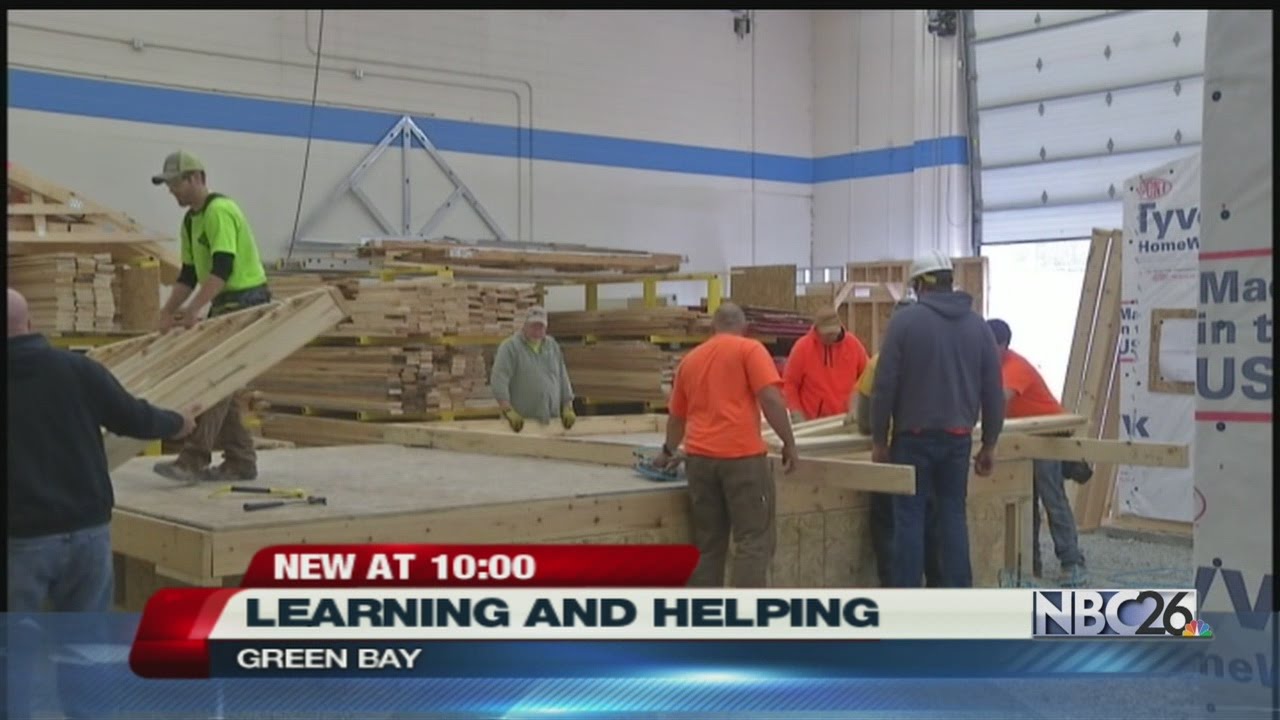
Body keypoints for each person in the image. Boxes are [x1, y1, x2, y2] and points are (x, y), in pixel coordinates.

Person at [8, 288, 197, 719]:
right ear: (31, 324)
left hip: (21, 541)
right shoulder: (77, 370)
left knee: (13, 650)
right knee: (86, 647)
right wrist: (178, 422)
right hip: (87, 533)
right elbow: (133, 417)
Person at [870, 250, 1005, 588]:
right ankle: (956, 603)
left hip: (911, 439)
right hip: (958, 439)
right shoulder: (978, 326)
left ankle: (907, 607)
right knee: (952, 518)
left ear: (920, 286)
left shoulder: (904, 323)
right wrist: (989, 443)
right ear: (949, 280)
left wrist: (878, 440)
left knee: (909, 520)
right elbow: (993, 390)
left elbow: (884, 385)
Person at [654, 303, 798, 587]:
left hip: (698, 461)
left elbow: (676, 418)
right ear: (744, 328)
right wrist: (789, 442)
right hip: (742, 459)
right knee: (752, 542)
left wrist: (668, 451)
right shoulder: (750, 350)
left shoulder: (691, 360)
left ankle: (705, 621)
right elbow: (769, 398)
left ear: (712, 328)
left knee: (708, 546)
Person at [150, 150, 272, 483]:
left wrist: (191, 310)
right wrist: (167, 312)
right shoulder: (191, 220)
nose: (172, 191)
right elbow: (189, 274)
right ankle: (241, 460)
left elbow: (222, 268)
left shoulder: (220, 211)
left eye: (175, 183)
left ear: (195, 178)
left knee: (219, 377)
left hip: (248, 298)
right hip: (225, 302)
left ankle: (194, 458)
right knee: (226, 381)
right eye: (169, 185)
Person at [987, 319, 1088, 587]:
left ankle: (1072, 562)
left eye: (989, 346)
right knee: (1025, 498)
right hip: (1023, 436)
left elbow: (1000, 399)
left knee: (1051, 496)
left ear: (1004, 346)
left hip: (1049, 433)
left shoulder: (1014, 367)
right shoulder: (992, 365)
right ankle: (1031, 564)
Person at [490, 306, 576, 432]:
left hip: (552, 422)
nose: (537, 329)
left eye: (541, 326)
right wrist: (508, 410)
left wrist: (568, 406)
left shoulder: (552, 346)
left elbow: (563, 377)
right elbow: (499, 379)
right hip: (520, 424)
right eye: (533, 325)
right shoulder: (510, 347)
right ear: (525, 325)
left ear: (546, 327)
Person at [783, 306, 869, 423]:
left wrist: (858, 408)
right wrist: (796, 412)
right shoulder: (802, 348)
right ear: (817, 330)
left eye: (834, 332)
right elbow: (789, 384)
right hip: (812, 422)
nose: (831, 336)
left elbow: (867, 378)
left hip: (847, 420)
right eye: (827, 334)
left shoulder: (853, 345)